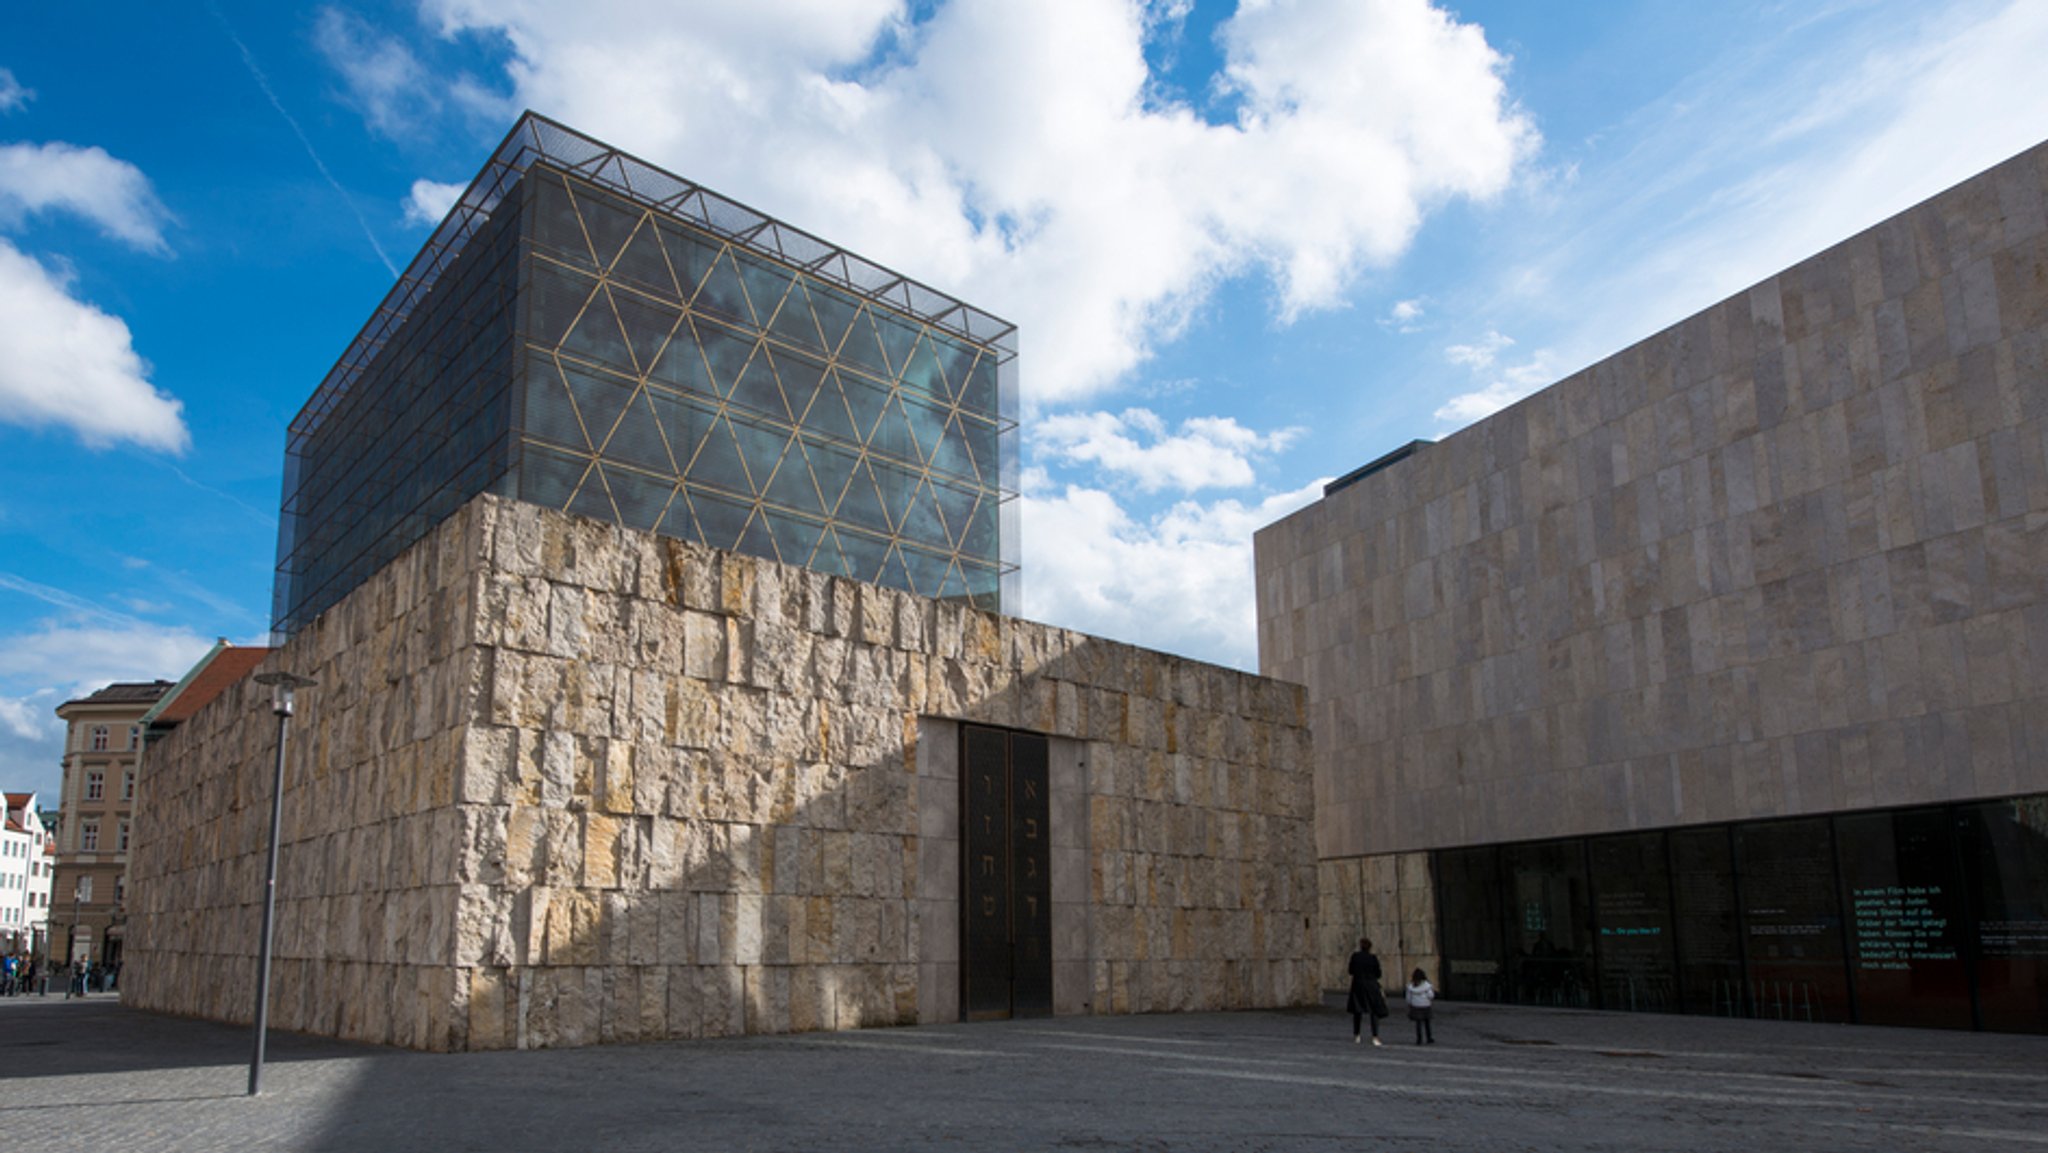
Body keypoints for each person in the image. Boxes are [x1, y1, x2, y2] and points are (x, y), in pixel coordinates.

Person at [1345, 937, 1388, 1046]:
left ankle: (1357, 1035)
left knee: (1357, 1011)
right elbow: (1378, 974)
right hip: (1371, 985)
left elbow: (1350, 971)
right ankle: (1375, 1036)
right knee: (1374, 1012)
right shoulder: (1373, 958)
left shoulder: (1355, 957)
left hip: (1358, 985)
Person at [1407, 967, 1437, 1045]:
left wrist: (1410, 1004)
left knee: (1418, 1023)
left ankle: (1419, 1039)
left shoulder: (1410, 986)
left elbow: (1408, 998)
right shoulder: (1427, 986)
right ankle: (1429, 1037)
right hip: (1425, 1005)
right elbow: (1431, 995)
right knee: (1427, 1023)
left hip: (1416, 1005)